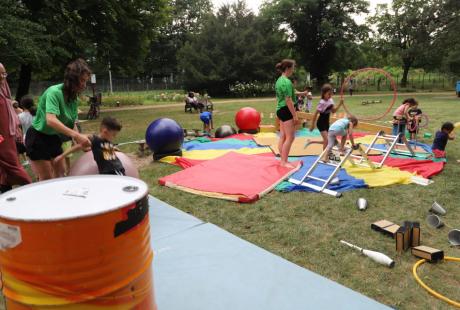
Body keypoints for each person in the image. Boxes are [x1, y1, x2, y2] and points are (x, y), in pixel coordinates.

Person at [25, 58, 92, 180]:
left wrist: (80, 142)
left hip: (53, 138)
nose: (84, 85)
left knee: (61, 176)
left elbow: (72, 123)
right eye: (82, 81)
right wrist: (77, 136)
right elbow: (51, 120)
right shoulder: (54, 92)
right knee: (47, 179)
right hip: (37, 138)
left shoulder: (73, 98)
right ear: (72, 79)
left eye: (85, 81)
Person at [55, 117, 126, 175]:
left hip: (116, 169)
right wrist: (62, 156)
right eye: (114, 135)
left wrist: (112, 148)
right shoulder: (95, 140)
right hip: (112, 172)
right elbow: (78, 146)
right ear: (105, 131)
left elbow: (104, 152)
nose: (115, 137)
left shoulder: (106, 141)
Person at [0, 63, 32, 192]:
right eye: (1, 73)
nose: (4, 77)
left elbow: (7, 101)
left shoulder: (3, 90)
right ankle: (27, 187)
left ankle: (26, 186)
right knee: (8, 161)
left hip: (6, 135)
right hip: (1, 136)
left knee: (8, 161)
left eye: (4, 73)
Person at [276, 59, 304, 168]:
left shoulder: (279, 80)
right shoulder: (287, 82)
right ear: (288, 68)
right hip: (286, 110)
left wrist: (303, 93)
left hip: (280, 109)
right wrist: (295, 115)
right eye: (293, 67)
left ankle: (282, 157)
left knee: (283, 136)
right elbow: (288, 100)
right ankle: (284, 162)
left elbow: (289, 94)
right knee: (290, 137)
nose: (294, 69)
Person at [309, 84, 343, 150]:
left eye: (331, 94)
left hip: (327, 123)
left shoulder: (331, 100)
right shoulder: (322, 102)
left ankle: (329, 153)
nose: (330, 96)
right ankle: (324, 156)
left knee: (330, 140)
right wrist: (312, 125)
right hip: (320, 123)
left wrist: (340, 104)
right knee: (326, 140)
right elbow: (315, 114)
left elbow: (333, 111)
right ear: (323, 94)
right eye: (328, 94)